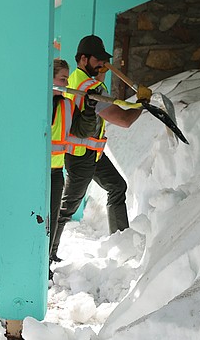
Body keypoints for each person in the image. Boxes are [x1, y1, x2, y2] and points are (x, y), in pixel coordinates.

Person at [49, 35, 147, 263]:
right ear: (83, 59)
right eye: (98, 59)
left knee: (117, 186)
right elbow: (123, 120)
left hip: (92, 154)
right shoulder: (89, 88)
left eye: (105, 60)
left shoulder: (77, 79)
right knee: (66, 209)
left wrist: (100, 73)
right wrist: (142, 105)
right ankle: (49, 253)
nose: (103, 64)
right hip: (81, 156)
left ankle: (121, 241)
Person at [49, 59, 73, 266]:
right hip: (37, 173)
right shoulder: (39, 104)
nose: (66, 84)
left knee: (53, 221)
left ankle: (45, 262)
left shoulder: (66, 104)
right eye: (62, 79)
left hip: (56, 171)